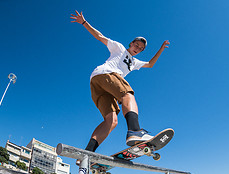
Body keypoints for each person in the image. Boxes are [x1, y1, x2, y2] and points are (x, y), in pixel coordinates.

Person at [70, 11, 170, 152]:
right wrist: (84, 23)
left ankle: (88, 152)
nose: (137, 49)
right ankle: (135, 130)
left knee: (111, 121)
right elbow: (100, 37)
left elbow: (150, 64)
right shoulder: (120, 48)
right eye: (136, 45)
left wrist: (160, 49)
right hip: (106, 74)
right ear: (131, 43)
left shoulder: (135, 62)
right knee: (127, 95)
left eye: (140, 49)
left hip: (98, 84)